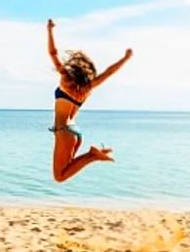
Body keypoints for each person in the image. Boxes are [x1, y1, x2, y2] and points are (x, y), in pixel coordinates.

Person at [47, 18, 133, 182]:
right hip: (74, 133)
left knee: (60, 176)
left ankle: (93, 155)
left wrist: (49, 30)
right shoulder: (87, 88)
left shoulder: (65, 79)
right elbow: (108, 73)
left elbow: (53, 53)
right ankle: (92, 155)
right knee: (67, 168)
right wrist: (125, 58)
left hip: (64, 132)